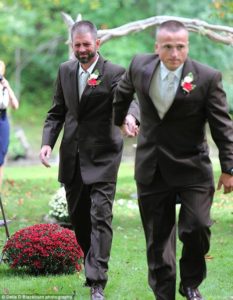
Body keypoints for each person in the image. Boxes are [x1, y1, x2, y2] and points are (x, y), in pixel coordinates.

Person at [113, 20, 233, 300]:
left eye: (180, 47)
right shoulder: (139, 66)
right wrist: (123, 119)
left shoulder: (207, 77)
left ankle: (190, 283)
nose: (175, 53)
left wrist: (229, 167)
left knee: (198, 227)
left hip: (193, 167)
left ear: (187, 46)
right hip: (152, 166)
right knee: (157, 240)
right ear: (157, 47)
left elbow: (222, 127)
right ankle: (163, 293)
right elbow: (122, 92)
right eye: (168, 47)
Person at [39, 20, 139, 300]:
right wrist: (48, 143)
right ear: (72, 45)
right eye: (77, 45)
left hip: (104, 155)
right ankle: (91, 262)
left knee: (101, 217)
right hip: (72, 156)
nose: (82, 49)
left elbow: (130, 99)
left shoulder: (114, 72)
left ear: (98, 43)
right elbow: (57, 111)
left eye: (87, 44)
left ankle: (97, 281)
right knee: (80, 219)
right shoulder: (65, 70)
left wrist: (131, 117)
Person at [0, 60, 19, 191]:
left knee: (2, 153)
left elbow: (15, 106)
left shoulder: (5, 85)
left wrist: (8, 87)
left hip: (3, 119)